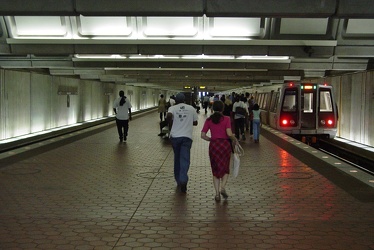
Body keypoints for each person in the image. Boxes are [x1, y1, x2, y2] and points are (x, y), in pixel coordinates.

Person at [201, 101, 238, 202]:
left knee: (215, 169)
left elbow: (202, 135)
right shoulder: (226, 119)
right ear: (222, 108)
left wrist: (211, 140)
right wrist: (234, 138)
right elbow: (229, 133)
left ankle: (217, 194)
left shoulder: (209, 120)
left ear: (212, 108)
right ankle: (222, 187)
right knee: (225, 168)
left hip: (214, 146)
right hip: (225, 146)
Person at [166, 93, 198, 193]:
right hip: (186, 137)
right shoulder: (191, 108)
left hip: (175, 137)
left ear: (176, 100)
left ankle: (178, 180)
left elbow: (168, 116)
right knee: (185, 159)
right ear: (184, 99)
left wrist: (172, 122)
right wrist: (187, 121)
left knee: (177, 158)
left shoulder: (172, 108)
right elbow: (195, 122)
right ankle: (183, 180)